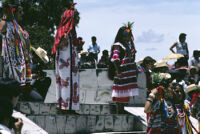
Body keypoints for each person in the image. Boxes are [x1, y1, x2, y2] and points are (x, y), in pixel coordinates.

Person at [52, 3, 80, 113]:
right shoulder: (63, 32)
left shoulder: (71, 33)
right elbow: (58, 46)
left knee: (73, 85)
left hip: (72, 66)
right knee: (65, 85)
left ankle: (71, 107)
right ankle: (65, 108)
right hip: (65, 66)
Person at [0, 2, 32, 94]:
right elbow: (1, 29)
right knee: (13, 90)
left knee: (19, 90)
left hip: (20, 64)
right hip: (12, 65)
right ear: (13, 13)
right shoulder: (6, 24)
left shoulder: (18, 27)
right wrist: (5, 15)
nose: (22, 13)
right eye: (20, 11)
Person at [110, 26, 138, 114]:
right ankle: (120, 111)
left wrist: (132, 42)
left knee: (125, 94)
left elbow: (133, 53)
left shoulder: (128, 45)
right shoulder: (118, 45)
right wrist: (118, 71)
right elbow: (115, 59)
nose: (130, 37)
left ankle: (122, 110)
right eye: (128, 35)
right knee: (120, 94)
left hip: (128, 74)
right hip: (122, 73)